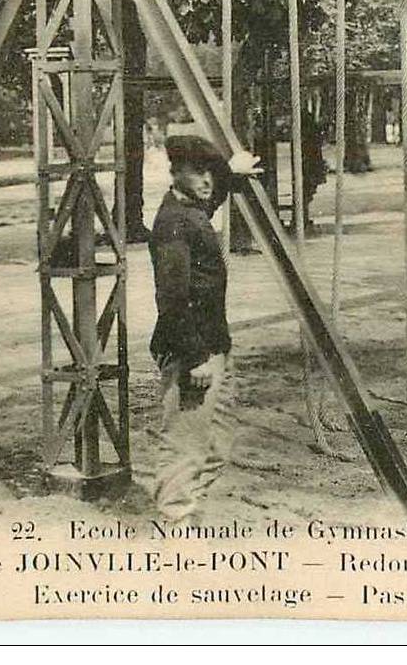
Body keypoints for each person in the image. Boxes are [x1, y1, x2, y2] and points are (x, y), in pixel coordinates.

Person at [144, 125, 261, 524]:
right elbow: (173, 300)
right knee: (185, 447)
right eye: (199, 173)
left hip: (215, 347)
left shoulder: (192, 210)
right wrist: (195, 359)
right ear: (176, 174)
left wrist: (233, 172)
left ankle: (186, 516)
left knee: (216, 447)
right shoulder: (174, 223)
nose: (209, 182)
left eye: (213, 173)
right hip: (192, 352)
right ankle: (174, 529)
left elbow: (212, 193)